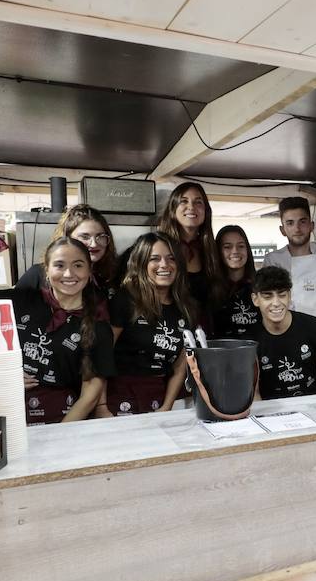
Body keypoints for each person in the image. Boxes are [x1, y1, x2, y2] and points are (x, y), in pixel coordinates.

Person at [11, 237, 115, 424]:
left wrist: (60, 433)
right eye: (59, 265)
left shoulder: (98, 325)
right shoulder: (22, 302)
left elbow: (89, 396)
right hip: (10, 413)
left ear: (89, 271)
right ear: (47, 270)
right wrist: (5, 375)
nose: (69, 273)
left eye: (78, 265)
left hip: (63, 416)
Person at [106, 233, 199, 416]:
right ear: (141, 264)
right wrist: (101, 406)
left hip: (159, 394)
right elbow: (102, 355)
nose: (164, 265)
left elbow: (180, 367)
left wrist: (167, 407)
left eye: (171, 258)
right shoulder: (125, 301)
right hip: (120, 394)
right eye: (154, 259)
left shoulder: (187, 308)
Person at [262, 197, 316, 344]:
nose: (297, 228)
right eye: (290, 223)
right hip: (288, 336)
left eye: (302, 221)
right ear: (282, 230)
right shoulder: (273, 260)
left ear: (312, 225)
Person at [248, 266, 316, 399]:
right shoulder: (250, 340)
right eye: (268, 296)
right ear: (255, 299)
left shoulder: (315, 326)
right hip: (272, 411)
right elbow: (255, 394)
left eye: (282, 295)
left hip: (315, 406)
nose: (276, 303)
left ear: (289, 296)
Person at [17, 205, 118, 308]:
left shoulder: (108, 279)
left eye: (100, 236)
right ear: (66, 238)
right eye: (84, 237)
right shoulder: (37, 275)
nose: (94, 244)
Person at [155, 181, 223, 326]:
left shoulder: (211, 250)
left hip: (203, 334)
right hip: (165, 332)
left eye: (198, 202)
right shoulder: (157, 246)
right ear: (173, 210)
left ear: (205, 211)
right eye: (183, 201)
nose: (191, 207)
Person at [213, 225, 260, 339]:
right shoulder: (208, 289)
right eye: (227, 247)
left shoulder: (260, 287)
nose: (235, 251)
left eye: (241, 246)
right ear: (218, 251)